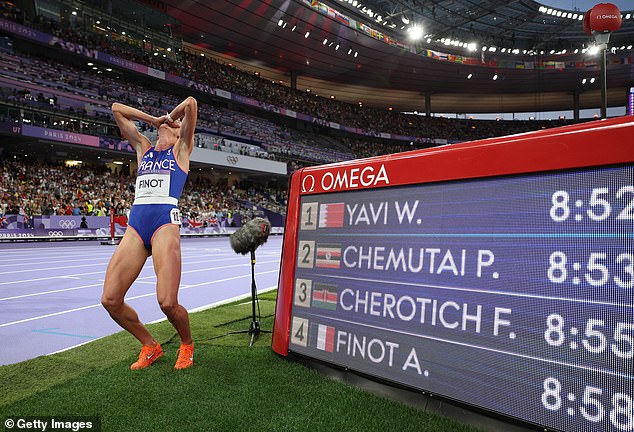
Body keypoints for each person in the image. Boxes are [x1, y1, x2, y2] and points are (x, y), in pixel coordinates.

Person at [101, 96, 198, 370]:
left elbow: (190, 104)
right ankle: (150, 345)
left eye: (176, 124)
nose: (169, 123)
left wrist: (175, 116)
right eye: (167, 123)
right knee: (110, 299)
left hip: (164, 226)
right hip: (137, 227)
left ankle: (187, 344)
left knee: (167, 303)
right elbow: (116, 109)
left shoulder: (181, 150)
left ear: (181, 132)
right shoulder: (144, 148)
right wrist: (153, 120)